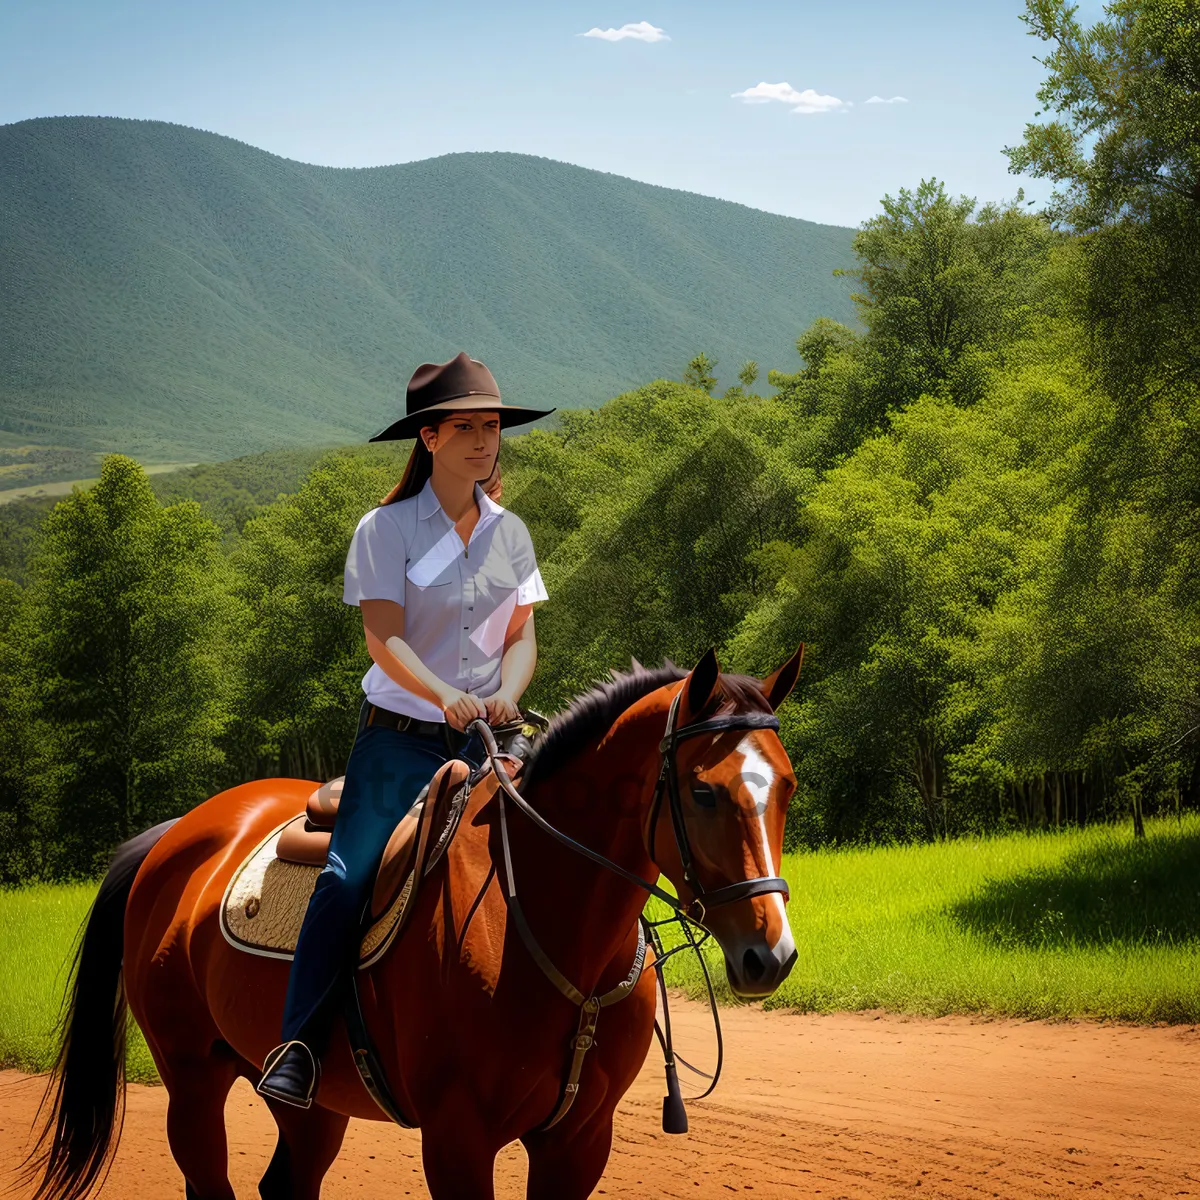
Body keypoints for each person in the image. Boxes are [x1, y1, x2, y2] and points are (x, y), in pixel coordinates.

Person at [256, 351, 555, 1108]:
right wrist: (447, 693)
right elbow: (382, 639)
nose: (484, 442)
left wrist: (506, 695)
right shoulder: (383, 529)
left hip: (490, 736)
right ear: (428, 438)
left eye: (491, 427)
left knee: (561, 853)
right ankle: (297, 1045)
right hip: (399, 738)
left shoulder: (511, 533)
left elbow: (521, 636)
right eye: (466, 428)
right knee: (348, 876)